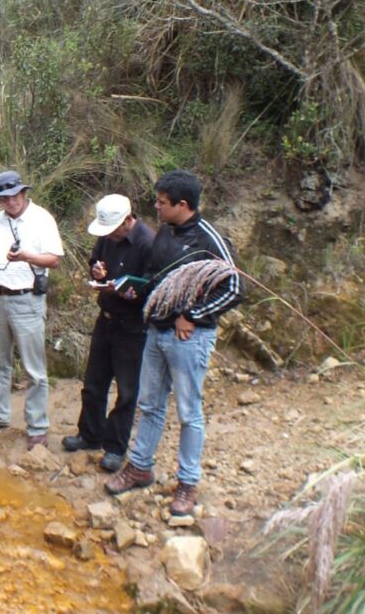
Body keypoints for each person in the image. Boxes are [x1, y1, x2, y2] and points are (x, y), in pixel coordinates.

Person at [105, 170, 243, 517]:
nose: (157, 207)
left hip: (188, 337)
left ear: (183, 205)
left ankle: (187, 482)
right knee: (150, 403)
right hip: (156, 330)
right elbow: (157, 276)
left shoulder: (210, 240)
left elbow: (235, 288)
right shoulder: (165, 232)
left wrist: (193, 316)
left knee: (188, 412)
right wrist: (139, 290)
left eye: (162, 203)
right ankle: (140, 466)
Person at [0, 170, 64, 449]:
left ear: (23, 192)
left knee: (34, 369)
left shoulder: (42, 218)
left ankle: (37, 427)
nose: (9, 203)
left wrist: (26, 256)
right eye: (3, 199)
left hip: (27, 299)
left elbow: (54, 260)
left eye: (13, 196)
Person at [62, 194, 155, 472]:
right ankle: (90, 434)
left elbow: (153, 285)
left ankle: (115, 447)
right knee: (93, 382)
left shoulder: (148, 243)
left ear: (128, 220)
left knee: (127, 391)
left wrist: (129, 292)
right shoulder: (107, 237)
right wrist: (97, 269)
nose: (110, 236)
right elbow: (95, 259)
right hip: (106, 319)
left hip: (133, 326)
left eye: (114, 230)